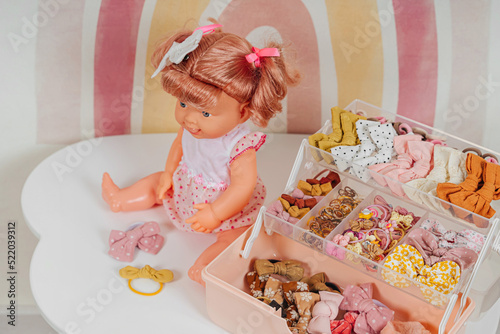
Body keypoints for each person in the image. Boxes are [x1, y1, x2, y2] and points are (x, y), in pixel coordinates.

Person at [102, 23, 300, 285]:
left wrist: (215, 213)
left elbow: (242, 187)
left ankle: (204, 268)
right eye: (183, 104)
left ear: (242, 112)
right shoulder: (191, 128)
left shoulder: (240, 145)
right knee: (156, 181)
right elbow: (179, 145)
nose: (190, 119)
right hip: (188, 185)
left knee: (236, 237)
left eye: (205, 113)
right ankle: (121, 199)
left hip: (227, 205)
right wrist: (169, 174)